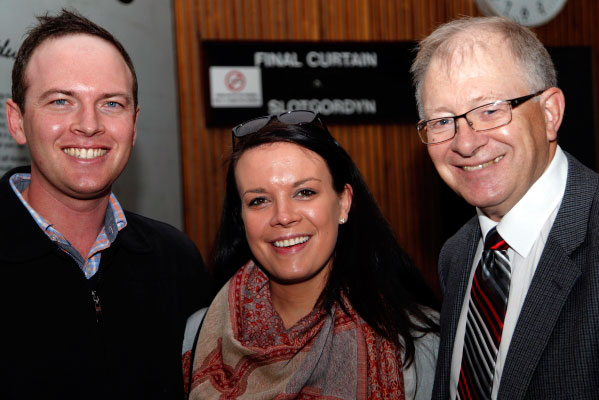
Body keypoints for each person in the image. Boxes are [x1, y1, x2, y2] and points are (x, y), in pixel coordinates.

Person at [0, 9, 212, 400]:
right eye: (61, 101)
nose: (89, 124)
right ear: (17, 121)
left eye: (111, 104)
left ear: (134, 124)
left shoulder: (177, 261)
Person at [184, 110, 440, 399]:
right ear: (240, 218)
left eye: (304, 192)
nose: (283, 216)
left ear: (343, 202)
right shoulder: (199, 333)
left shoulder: (418, 342)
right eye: (259, 200)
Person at [411, 16, 599, 399]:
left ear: (549, 113)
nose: (466, 143)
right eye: (443, 121)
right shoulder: (456, 255)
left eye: (489, 110)